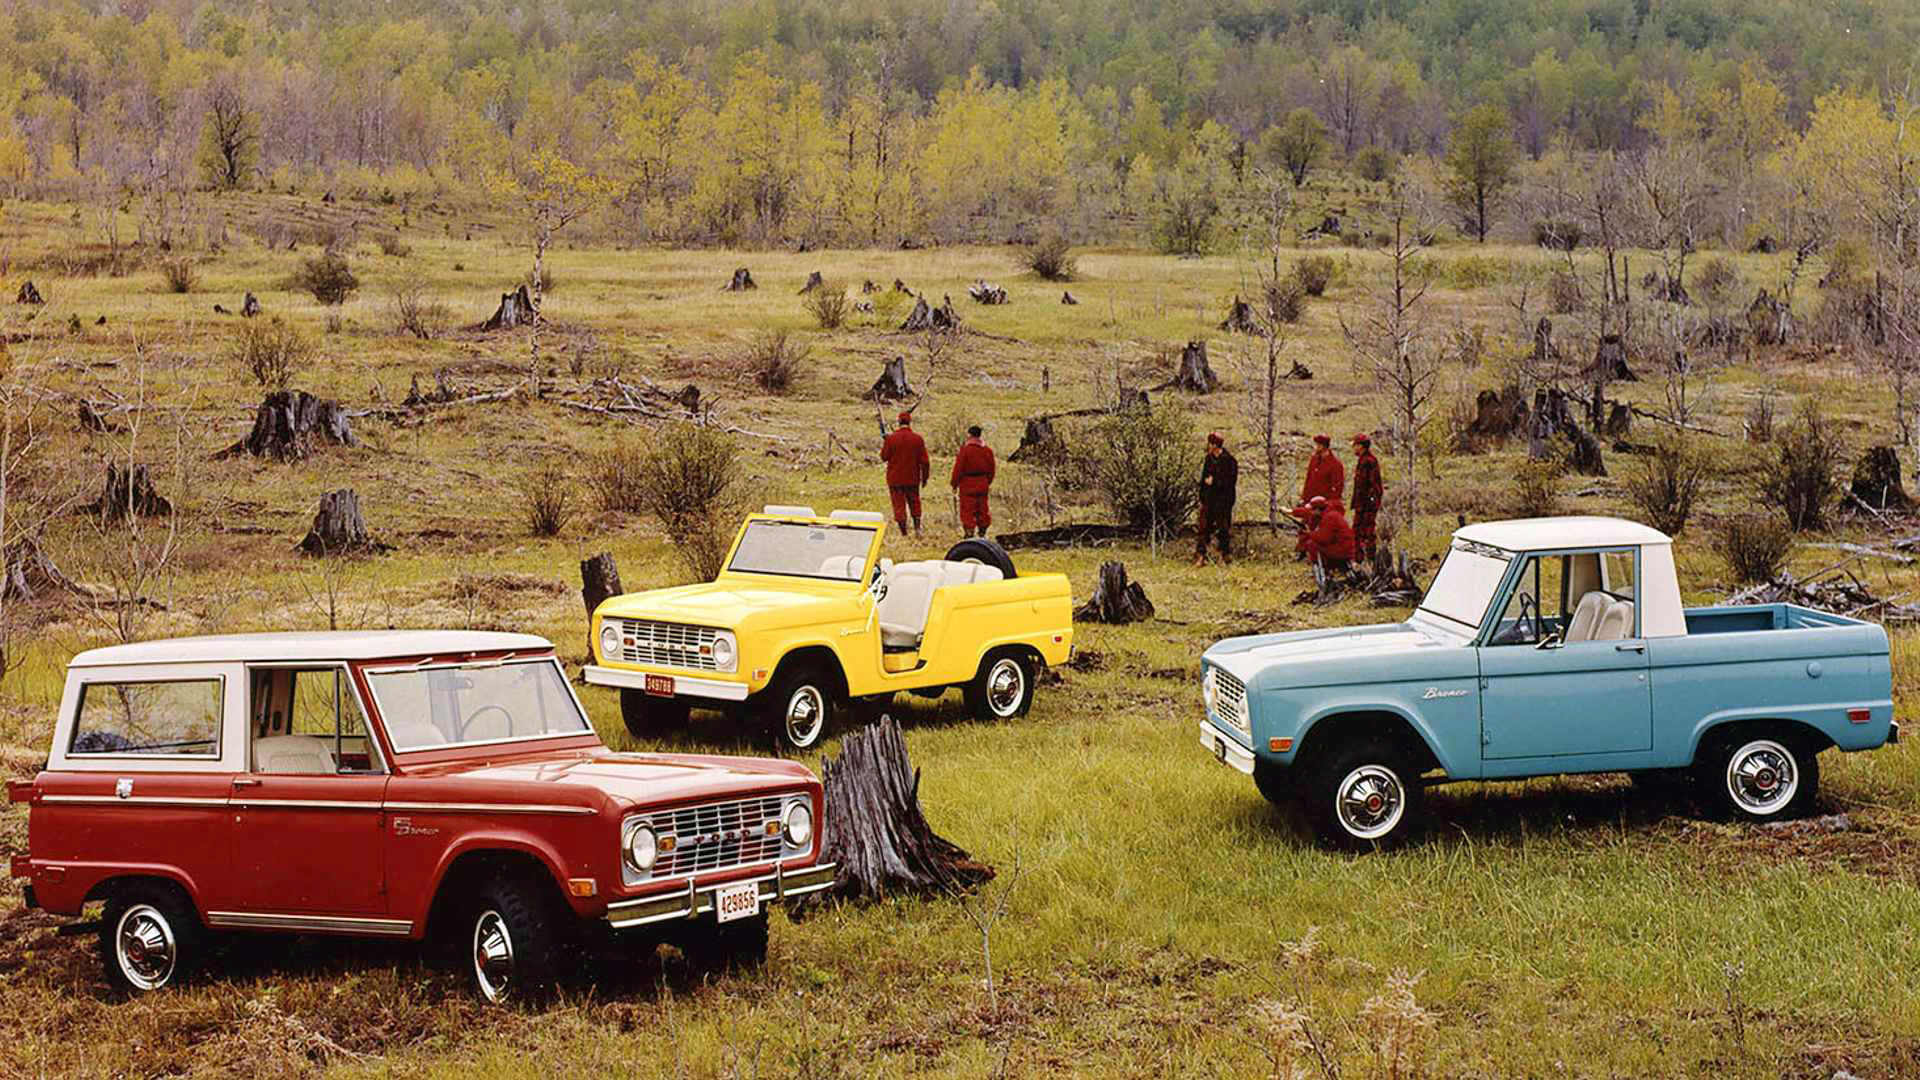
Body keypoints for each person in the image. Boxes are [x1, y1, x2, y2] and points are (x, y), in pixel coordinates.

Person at [1292, 433, 1346, 557]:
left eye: (1317, 444)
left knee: (1321, 530)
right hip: (1310, 501)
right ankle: (1301, 552)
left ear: (1323, 446)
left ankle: (1318, 554)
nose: (1315, 447)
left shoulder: (1335, 464)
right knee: (1305, 525)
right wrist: (1304, 498)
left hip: (1323, 504)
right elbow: (1308, 479)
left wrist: (1330, 505)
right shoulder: (1314, 460)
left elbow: (1337, 488)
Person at [880, 411, 930, 537]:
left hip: (895, 479)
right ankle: (917, 529)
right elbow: (925, 461)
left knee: (899, 505)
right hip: (912, 478)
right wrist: (924, 478)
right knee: (915, 503)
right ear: (910, 422)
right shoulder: (917, 439)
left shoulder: (891, 438)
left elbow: (884, 457)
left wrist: (886, 442)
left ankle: (904, 533)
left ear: (898, 422)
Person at [1195, 432, 1238, 565]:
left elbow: (1230, 481)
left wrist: (1214, 481)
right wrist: (1202, 496)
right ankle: (1201, 555)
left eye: (1209, 443)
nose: (1207, 446)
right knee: (1203, 528)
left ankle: (1224, 555)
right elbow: (1204, 479)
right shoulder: (1209, 459)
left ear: (1214, 445)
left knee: (1223, 529)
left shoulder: (1230, 461)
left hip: (1223, 501)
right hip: (1209, 500)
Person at [951, 424, 997, 538]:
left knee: (967, 509)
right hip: (983, 483)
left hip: (967, 483)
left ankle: (969, 532)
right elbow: (992, 469)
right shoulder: (987, 451)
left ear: (970, 435)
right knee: (983, 508)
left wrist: (954, 483)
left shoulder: (965, 450)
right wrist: (987, 482)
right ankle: (982, 531)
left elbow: (958, 468)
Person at [1350, 432, 1384, 563]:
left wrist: (1370, 503)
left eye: (1355, 445)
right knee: (1359, 530)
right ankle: (1359, 558)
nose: (1353, 448)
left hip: (1367, 505)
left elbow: (1372, 485)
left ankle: (1368, 557)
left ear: (1361, 446)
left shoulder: (1368, 461)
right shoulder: (1364, 460)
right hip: (1362, 504)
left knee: (1366, 530)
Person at [1301, 495, 1357, 572]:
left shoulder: (1329, 518)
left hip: (1342, 551)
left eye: (1312, 510)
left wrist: (1309, 534)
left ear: (1317, 509)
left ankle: (1323, 570)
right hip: (1345, 549)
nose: (1311, 512)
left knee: (1311, 545)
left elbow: (1324, 539)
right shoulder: (1331, 514)